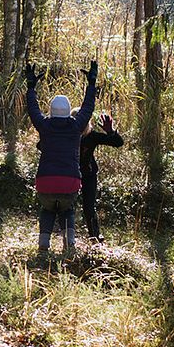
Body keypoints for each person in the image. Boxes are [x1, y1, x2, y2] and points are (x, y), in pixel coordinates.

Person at [25, 60, 97, 259]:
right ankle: (69, 245)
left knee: (47, 209)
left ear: (51, 110)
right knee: (67, 209)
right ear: (67, 111)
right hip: (70, 182)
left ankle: (43, 245)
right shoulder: (76, 127)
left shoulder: (45, 126)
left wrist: (31, 87)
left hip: (45, 181)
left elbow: (32, 110)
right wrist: (91, 85)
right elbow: (87, 108)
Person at [70, 109, 124, 243]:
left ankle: (95, 236)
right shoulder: (67, 135)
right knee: (67, 205)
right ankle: (68, 237)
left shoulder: (91, 136)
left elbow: (118, 142)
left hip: (88, 175)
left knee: (89, 206)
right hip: (70, 175)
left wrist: (110, 131)